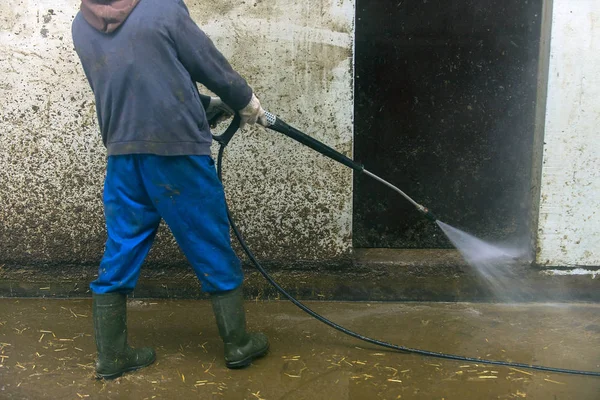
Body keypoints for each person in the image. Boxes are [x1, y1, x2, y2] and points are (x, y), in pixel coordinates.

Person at [71, 0, 269, 379]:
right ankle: (238, 343)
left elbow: (130, 78)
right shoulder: (162, 8)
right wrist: (244, 100)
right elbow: (206, 62)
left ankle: (111, 355)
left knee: (122, 246)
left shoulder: (82, 23)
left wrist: (201, 104)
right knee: (209, 239)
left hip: (124, 152)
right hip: (177, 151)